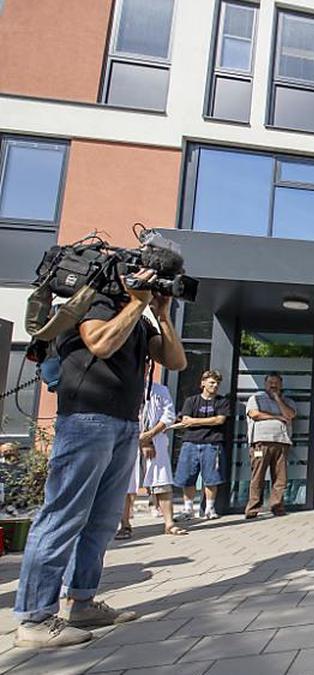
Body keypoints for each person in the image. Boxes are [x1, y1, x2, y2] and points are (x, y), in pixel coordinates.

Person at [13, 267, 186, 648]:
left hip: (125, 424)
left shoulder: (140, 319)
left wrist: (161, 313)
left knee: (102, 520)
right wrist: (136, 303)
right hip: (86, 420)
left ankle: (82, 601)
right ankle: (34, 618)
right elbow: (101, 344)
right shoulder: (99, 304)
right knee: (63, 515)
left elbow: (175, 361)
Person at [173, 370, 230, 520]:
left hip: (212, 444)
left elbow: (220, 420)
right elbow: (185, 420)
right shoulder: (191, 401)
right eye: (212, 382)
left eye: (217, 383)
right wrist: (200, 421)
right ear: (203, 383)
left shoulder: (222, 401)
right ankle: (188, 509)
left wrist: (194, 421)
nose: (215, 385)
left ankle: (209, 509)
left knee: (212, 478)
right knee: (187, 477)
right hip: (190, 443)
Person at [244, 372, 296, 519]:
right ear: (265, 384)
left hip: (281, 442)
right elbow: (254, 414)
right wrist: (276, 417)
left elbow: (290, 415)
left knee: (280, 478)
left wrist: (277, 399)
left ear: (281, 385)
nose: (273, 385)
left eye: (276, 382)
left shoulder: (287, 401)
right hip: (260, 442)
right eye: (270, 382)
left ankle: (277, 507)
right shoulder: (256, 398)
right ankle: (253, 509)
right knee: (258, 476)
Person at [139, 374, 185, 536]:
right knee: (126, 484)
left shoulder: (160, 390)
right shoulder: (123, 387)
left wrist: (150, 435)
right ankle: (125, 524)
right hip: (129, 440)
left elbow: (169, 416)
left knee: (162, 482)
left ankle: (169, 523)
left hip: (156, 439)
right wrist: (142, 441)